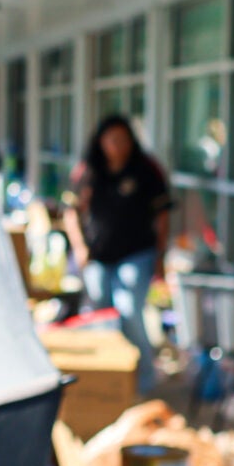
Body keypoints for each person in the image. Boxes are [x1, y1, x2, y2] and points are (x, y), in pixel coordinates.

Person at [63, 114, 172, 394]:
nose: (117, 146)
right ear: (101, 142)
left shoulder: (146, 169)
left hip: (137, 251)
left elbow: (163, 215)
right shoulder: (88, 170)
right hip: (99, 253)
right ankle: (107, 377)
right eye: (111, 140)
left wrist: (160, 255)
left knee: (128, 309)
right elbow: (71, 211)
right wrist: (80, 248)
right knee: (100, 311)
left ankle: (143, 380)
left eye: (122, 139)